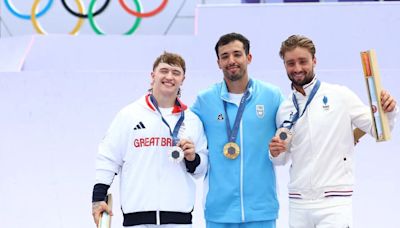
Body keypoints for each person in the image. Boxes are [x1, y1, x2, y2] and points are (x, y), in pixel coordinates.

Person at [269, 35, 398, 228]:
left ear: (314, 60)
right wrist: (274, 152)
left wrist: (389, 111)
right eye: (290, 63)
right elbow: (282, 159)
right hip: (298, 202)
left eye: (303, 61)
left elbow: (377, 129)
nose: (297, 68)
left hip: (334, 203)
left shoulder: (340, 95)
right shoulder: (285, 108)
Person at [91, 51, 208, 227]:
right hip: (137, 220)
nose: (169, 76)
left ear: (183, 79)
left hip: (179, 220)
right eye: (164, 71)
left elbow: (202, 169)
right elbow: (108, 157)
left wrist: (193, 158)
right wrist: (98, 198)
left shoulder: (192, 120)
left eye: (176, 73)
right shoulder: (129, 115)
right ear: (153, 76)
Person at [191, 32, 284, 228]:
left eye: (237, 54)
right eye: (225, 56)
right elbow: (181, 126)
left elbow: (294, 129)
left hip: (261, 211)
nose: (231, 60)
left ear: (248, 58)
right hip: (219, 213)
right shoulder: (205, 100)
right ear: (218, 63)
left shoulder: (272, 96)